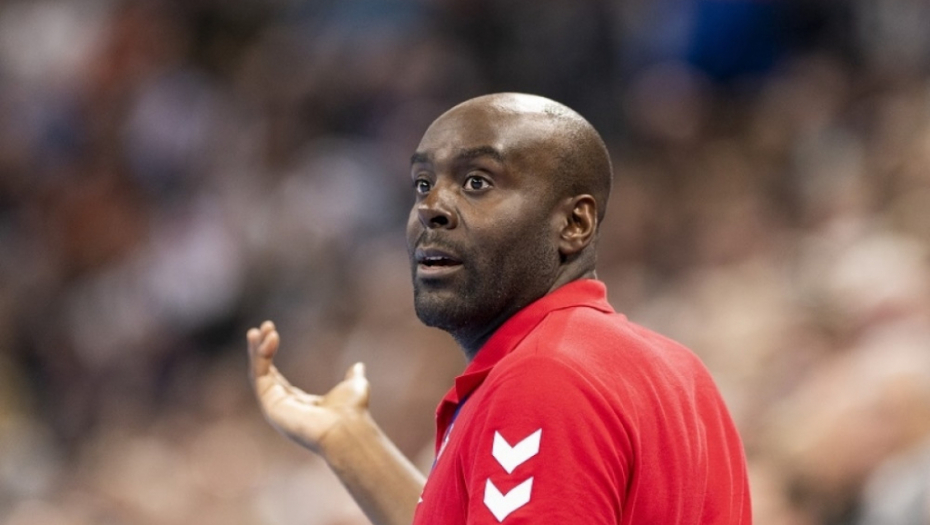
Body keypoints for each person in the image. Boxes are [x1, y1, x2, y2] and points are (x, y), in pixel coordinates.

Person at [247, 93, 752, 525]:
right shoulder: (679, 372)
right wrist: (349, 442)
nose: (431, 208)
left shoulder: (543, 379)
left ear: (574, 223)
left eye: (477, 182)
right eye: (422, 183)